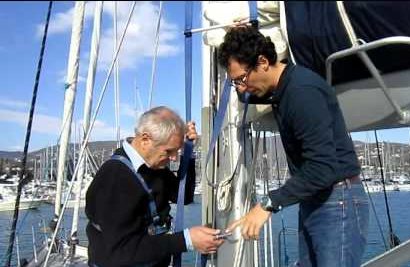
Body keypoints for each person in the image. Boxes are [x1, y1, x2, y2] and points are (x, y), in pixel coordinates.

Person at [219, 27, 369, 266]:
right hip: (317, 199)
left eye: (241, 79)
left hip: (337, 200)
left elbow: (323, 167)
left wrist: (268, 204)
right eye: (235, 82)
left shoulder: (301, 92)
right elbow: (246, 93)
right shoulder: (281, 88)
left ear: (263, 62)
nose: (240, 88)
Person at [85, 106, 224, 267]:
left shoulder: (153, 167)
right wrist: (186, 240)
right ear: (145, 140)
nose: (173, 158)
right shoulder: (115, 177)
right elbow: (118, 252)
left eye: (176, 152)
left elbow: (183, 196)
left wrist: (188, 153)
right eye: (169, 151)